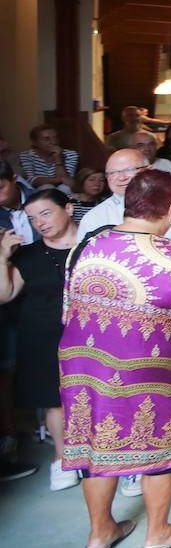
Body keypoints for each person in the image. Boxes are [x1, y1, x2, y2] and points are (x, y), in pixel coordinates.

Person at [59, 170, 171, 548]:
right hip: (148, 369)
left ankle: (99, 534)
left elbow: (68, 305)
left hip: (84, 366)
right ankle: (158, 534)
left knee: (93, 443)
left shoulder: (86, 247)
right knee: (157, 442)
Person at [0, 190, 78, 491]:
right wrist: (3, 257)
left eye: (45, 213)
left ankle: (111, 456)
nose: (39, 223)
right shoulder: (27, 255)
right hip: (42, 334)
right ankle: (62, 459)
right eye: (33, 218)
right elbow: (5, 294)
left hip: (89, 333)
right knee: (54, 400)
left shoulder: (92, 246)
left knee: (100, 393)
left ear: (68, 209)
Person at [76, 149, 171, 249]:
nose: (121, 178)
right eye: (112, 173)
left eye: (129, 170)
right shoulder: (94, 217)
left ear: (149, 170)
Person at [19, 125, 78, 192]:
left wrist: (58, 159)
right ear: (35, 142)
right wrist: (58, 179)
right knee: (47, 187)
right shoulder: (26, 156)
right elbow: (31, 180)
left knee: (65, 188)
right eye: (46, 139)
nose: (54, 142)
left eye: (55, 137)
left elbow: (68, 182)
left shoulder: (70, 155)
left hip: (63, 190)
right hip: (38, 192)